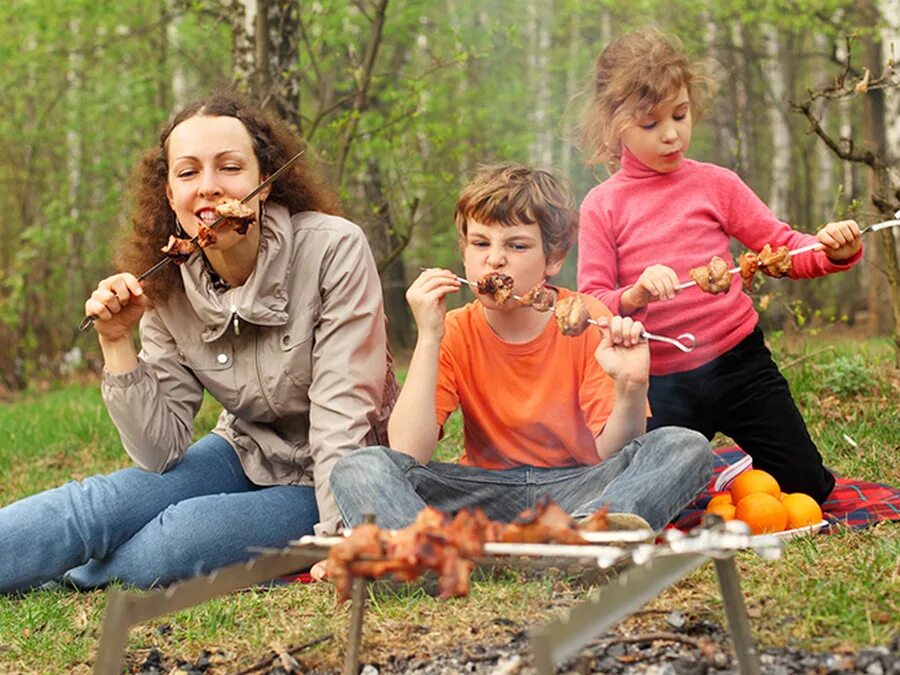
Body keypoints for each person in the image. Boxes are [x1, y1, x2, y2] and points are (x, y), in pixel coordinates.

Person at [0, 91, 395, 593]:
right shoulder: (167, 284)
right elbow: (158, 452)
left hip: (337, 474)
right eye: (187, 173)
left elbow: (342, 414)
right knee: (101, 505)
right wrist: (118, 345)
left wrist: (344, 539)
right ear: (169, 195)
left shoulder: (334, 249)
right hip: (245, 449)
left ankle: (68, 577)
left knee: (180, 538)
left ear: (264, 184)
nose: (208, 188)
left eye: (229, 168)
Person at [329, 164, 712, 533]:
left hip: (578, 491)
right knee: (362, 465)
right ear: (464, 252)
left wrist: (631, 389)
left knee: (683, 445)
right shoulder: (454, 329)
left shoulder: (587, 318)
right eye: (480, 243)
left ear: (554, 259)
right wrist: (429, 337)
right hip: (480, 496)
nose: (494, 258)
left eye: (516, 245)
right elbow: (409, 453)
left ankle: (591, 538)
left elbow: (614, 454)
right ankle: (426, 550)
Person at [575, 30, 863, 504]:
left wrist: (832, 250)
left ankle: (739, 469)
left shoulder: (716, 184)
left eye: (680, 115)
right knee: (642, 498)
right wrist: (637, 295)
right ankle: (701, 468)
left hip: (740, 364)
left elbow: (783, 249)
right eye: (650, 123)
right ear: (614, 125)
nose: (671, 134)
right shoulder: (602, 206)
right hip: (662, 383)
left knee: (810, 489)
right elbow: (594, 304)